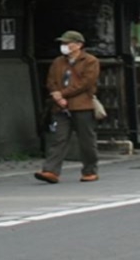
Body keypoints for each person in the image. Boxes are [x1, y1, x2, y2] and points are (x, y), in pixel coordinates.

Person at [36, 30, 101, 184]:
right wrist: (56, 95)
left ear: (79, 45)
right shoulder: (58, 61)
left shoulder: (90, 61)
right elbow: (51, 81)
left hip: (82, 105)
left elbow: (86, 83)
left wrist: (63, 94)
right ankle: (50, 170)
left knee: (86, 140)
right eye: (63, 43)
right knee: (59, 138)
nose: (64, 46)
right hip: (60, 106)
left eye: (67, 43)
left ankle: (89, 170)